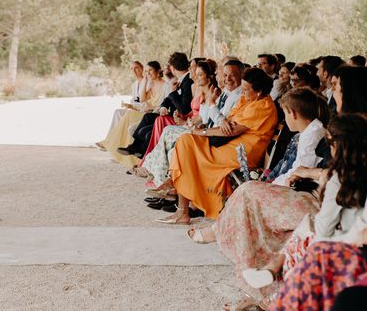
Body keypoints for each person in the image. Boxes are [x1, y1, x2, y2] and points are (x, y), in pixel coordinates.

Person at [186, 88, 329, 280]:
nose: (285, 119)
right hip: (296, 185)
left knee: (247, 190)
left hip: (304, 191)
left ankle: (218, 232)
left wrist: (275, 184)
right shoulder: (307, 131)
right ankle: (218, 230)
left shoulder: (313, 133)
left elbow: (301, 170)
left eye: (285, 113)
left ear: (293, 113)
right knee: (247, 190)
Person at [244, 114, 367, 306]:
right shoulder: (357, 173)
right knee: (305, 228)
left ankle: (276, 280)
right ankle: (274, 280)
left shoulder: (340, 178)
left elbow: (325, 230)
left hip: (344, 243)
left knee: (305, 234)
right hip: (352, 240)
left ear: (336, 146)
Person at [157, 67, 278, 223]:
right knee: (185, 142)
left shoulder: (263, 106)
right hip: (231, 144)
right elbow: (227, 122)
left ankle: (182, 203)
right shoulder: (247, 99)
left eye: (246, 90)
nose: (243, 93)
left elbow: (231, 130)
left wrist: (200, 132)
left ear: (259, 91)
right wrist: (219, 124)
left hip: (243, 151)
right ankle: (182, 206)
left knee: (188, 143)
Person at [140, 59, 244, 191]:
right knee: (167, 131)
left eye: (232, 75)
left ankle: (160, 179)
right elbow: (207, 116)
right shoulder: (226, 93)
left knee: (171, 139)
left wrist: (209, 108)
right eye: (224, 75)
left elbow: (223, 124)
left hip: (214, 136)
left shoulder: (238, 97)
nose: (226, 79)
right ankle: (159, 178)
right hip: (204, 128)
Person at [116, 52, 193, 163]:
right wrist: (163, 106)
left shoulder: (187, 81)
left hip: (179, 118)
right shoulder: (181, 80)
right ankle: (135, 147)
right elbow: (168, 99)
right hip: (165, 112)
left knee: (145, 133)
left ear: (172, 67)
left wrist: (172, 93)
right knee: (147, 117)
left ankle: (143, 157)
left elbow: (184, 109)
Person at [98, 61, 165, 154]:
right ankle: (114, 144)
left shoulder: (165, 85)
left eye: (150, 70)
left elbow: (163, 105)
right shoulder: (150, 85)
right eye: (146, 71)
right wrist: (145, 80)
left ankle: (118, 145)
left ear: (158, 71)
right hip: (146, 111)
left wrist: (150, 107)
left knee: (129, 115)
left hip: (153, 113)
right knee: (124, 113)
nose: (148, 73)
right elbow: (142, 99)